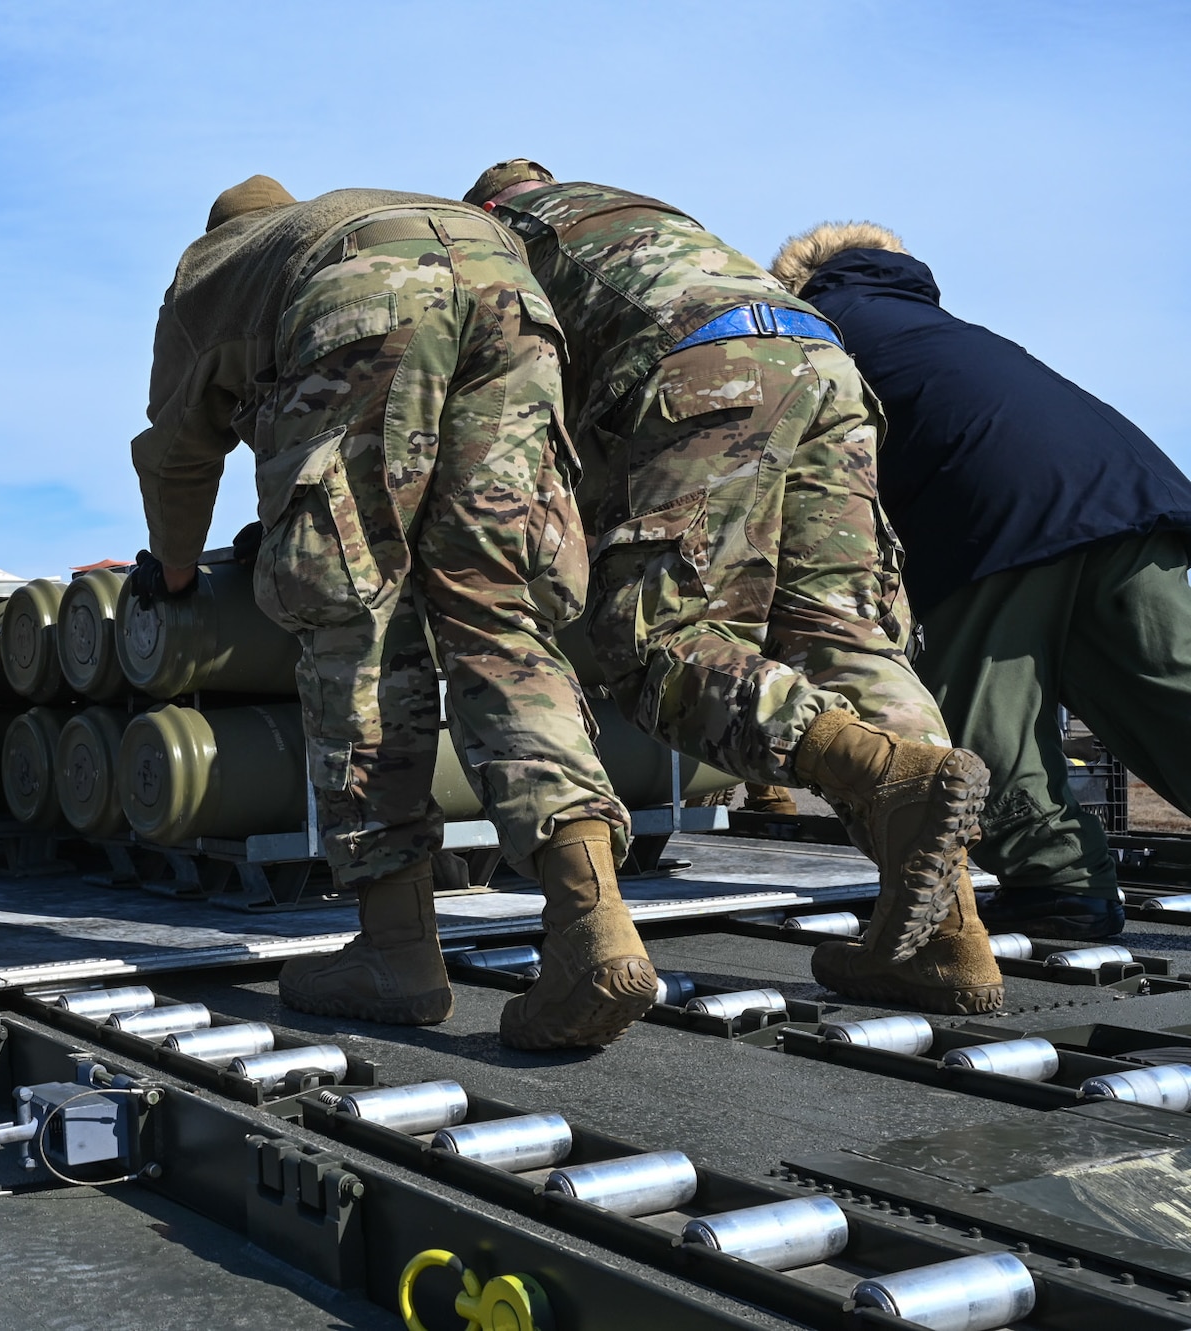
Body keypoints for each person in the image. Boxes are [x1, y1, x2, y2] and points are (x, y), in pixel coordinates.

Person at [463, 160, 1001, 1015]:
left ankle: (879, 771)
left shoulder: (495, 240)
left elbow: (524, 421)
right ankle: (950, 937)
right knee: (845, 635)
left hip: (707, 364)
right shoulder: (633, 211)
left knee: (654, 640)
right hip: (823, 360)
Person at [130, 174, 647, 1051]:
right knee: (500, 618)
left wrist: (176, 571)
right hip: (514, 296)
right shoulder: (338, 213)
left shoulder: (211, 267)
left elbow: (179, 447)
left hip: (364, 305)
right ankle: (596, 926)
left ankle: (397, 948)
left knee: (356, 626)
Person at [773, 224, 1191, 940]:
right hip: (1126, 490)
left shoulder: (811, 328)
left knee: (976, 715)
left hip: (986, 505)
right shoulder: (940, 325)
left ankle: (1057, 879)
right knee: (1171, 685)